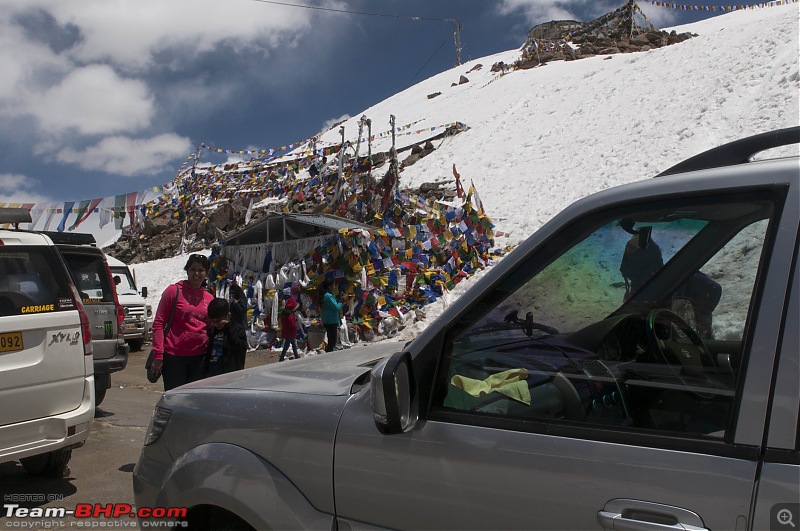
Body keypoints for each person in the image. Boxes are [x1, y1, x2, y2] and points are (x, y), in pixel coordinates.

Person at [149, 254, 215, 391]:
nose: (197, 274)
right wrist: (158, 356)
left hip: (199, 358)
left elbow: (210, 327)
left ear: (206, 273)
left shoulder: (209, 298)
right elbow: (158, 324)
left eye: (201, 270)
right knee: (175, 398)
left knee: (194, 400)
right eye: (193, 269)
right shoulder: (173, 292)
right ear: (187, 271)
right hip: (174, 358)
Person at [204, 298, 248, 377]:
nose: (216, 324)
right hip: (212, 373)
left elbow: (241, 350)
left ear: (228, 316)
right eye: (213, 322)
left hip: (229, 375)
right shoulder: (213, 331)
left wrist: (229, 328)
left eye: (218, 321)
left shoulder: (237, 330)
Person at [320, 280, 349, 352]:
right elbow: (336, 307)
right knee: (332, 340)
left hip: (330, 319)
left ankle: (329, 351)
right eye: (333, 285)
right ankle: (329, 352)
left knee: (332, 340)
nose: (334, 287)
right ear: (329, 287)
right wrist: (342, 301)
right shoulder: (328, 296)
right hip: (330, 320)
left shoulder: (329, 295)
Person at [279, 296, 300, 361]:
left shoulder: (284, 312)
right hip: (290, 331)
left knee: (291, 343)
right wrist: (295, 327)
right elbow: (291, 323)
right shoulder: (289, 314)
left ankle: (295, 355)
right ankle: (282, 357)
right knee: (288, 344)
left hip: (287, 331)